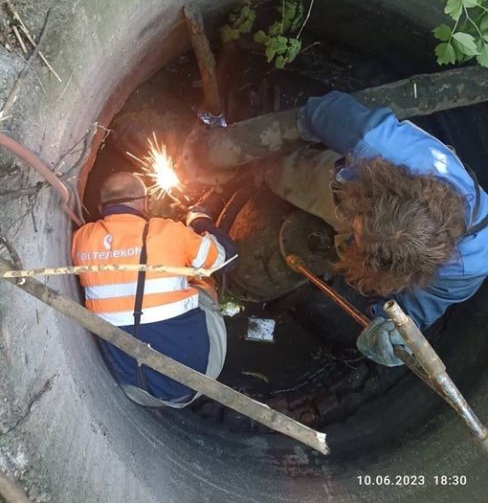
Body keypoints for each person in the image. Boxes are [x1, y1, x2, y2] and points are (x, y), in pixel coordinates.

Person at [267, 90, 488, 367]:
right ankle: (271, 170)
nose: (355, 240)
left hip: (376, 215)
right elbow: (324, 111)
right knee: (290, 175)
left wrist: (394, 332)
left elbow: (414, 312)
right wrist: (295, 127)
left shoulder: (465, 270)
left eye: (360, 243)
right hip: (358, 186)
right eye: (359, 231)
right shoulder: (379, 145)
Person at [72, 172, 237, 407]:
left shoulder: (80, 239)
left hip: (132, 389)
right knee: (202, 283)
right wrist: (199, 220)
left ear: (100, 207)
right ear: (145, 202)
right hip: (195, 381)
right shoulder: (169, 231)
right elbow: (229, 260)